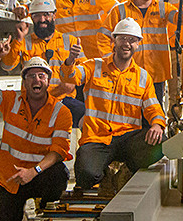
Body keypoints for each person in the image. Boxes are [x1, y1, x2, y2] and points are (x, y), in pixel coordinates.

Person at [0, 45, 72, 221]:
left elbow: (59, 151)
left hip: (39, 175)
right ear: (24, 82)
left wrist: (34, 171)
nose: (37, 80)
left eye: (41, 76)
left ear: (48, 81)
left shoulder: (61, 112)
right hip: (10, 180)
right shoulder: (10, 100)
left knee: (60, 173)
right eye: (31, 76)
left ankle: (47, 219)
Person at [60, 18, 166, 189]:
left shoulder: (143, 77)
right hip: (97, 137)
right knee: (86, 174)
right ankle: (104, 176)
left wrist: (157, 125)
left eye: (132, 39)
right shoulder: (94, 66)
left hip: (127, 138)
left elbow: (153, 107)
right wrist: (70, 61)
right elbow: (70, 77)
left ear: (138, 44)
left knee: (161, 142)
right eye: (122, 38)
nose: (126, 43)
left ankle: (128, 170)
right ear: (113, 41)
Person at [99, 0, 183, 105]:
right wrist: (110, 60)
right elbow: (103, 35)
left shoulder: (163, 8)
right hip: (127, 72)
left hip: (156, 73)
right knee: (129, 114)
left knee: (154, 112)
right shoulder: (120, 10)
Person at [2, 0, 85, 128]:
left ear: (54, 16)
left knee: (88, 118)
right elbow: (7, 66)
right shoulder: (24, 42)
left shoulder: (70, 42)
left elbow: (84, 72)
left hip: (63, 100)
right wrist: (17, 40)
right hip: (33, 103)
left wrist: (73, 81)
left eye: (46, 14)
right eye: (37, 15)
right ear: (31, 18)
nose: (42, 19)